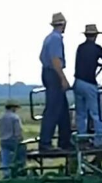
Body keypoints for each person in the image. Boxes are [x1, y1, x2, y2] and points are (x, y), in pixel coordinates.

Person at [39, 12, 71, 152]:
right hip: (53, 74)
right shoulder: (56, 39)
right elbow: (55, 60)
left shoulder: (48, 38)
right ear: (63, 24)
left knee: (63, 108)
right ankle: (45, 142)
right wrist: (63, 78)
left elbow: (41, 57)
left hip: (47, 72)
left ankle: (65, 140)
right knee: (52, 108)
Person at [0, 99, 26, 178]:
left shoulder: (1, 117)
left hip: (3, 140)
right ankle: (21, 171)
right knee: (20, 156)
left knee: (5, 159)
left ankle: (6, 174)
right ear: (13, 107)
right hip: (13, 140)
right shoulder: (15, 117)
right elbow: (18, 131)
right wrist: (21, 139)